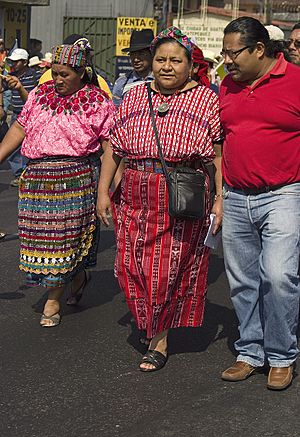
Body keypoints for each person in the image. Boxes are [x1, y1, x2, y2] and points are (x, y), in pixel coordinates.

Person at [98, 26, 223, 372]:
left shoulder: (206, 99)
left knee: (166, 271)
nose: (167, 66)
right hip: (135, 191)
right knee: (129, 266)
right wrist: (103, 193)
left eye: (176, 60)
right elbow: (114, 149)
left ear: (190, 65)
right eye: (161, 59)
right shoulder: (135, 96)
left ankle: (159, 339)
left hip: (182, 192)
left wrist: (219, 200)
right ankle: (151, 320)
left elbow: (217, 156)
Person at [0, 41, 115, 327]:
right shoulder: (40, 94)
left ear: (81, 72)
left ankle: (53, 299)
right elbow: (20, 126)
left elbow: (110, 148)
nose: (58, 79)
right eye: (55, 73)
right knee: (42, 244)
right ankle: (78, 275)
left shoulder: (97, 101)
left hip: (75, 180)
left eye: (65, 74)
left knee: (62, 242)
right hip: (37, 180)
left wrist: (104, 191)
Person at [219, 17, 300, 390]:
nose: (227, 60)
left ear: (259, 50)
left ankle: (282, 354)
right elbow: (220, 137)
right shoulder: (226, 87)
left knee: (280, 276)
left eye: (233, 53)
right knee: (242, 282)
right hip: (235, 195)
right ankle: (250, 351)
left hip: (284, 194)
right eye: (224, 53)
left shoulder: (296, 82)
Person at [4, 48, 40, 186]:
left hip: (31, 114)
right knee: (13, 147)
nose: (13, 64)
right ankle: (19, 174)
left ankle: (28, 173)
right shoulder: (11, 75)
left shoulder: (34, 75)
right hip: (16, 114)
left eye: (16, 61)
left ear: (24, 62)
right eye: (12, 61)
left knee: (30, 145)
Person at [38, 34, 112, 98]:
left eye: (86, 53)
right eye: (78, 53)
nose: (58, 81)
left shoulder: (99, 83)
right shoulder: (47, 81)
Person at [112, 29, 154, 107]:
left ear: (152, 54)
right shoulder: (122, 83)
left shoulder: (161, 80)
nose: (136, 59)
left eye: (141, 54)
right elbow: (116, 111)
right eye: (132, 55)